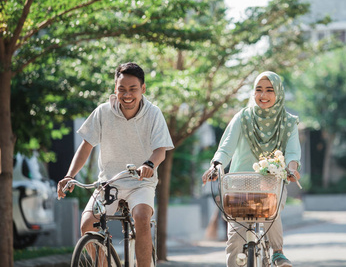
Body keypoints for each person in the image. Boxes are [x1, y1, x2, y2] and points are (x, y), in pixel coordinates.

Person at [57, 62, 174, 267]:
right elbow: (86, 147)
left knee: (141, 218)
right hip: (109, 182)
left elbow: (160, 151)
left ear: (143, 89)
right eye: (122, 89)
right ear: (115, 89)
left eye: (132, 89)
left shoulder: (154, 113)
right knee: (87, 225)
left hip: (141, 182)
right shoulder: (103, 112)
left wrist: (149, 164)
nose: (127, 95)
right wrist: (69, 175)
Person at [202, 71, 301, 267]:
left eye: (269, 90)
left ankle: (277, 253)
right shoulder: (243, 117)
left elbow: (292, 152)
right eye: (259, 90)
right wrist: (215, 165)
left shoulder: (288, 122)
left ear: (278, 93)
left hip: (270, 184)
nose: (263, 95)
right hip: (239, 186)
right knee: (235, 240)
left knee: (271, 213)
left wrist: (291, 168)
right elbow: (226, 147)